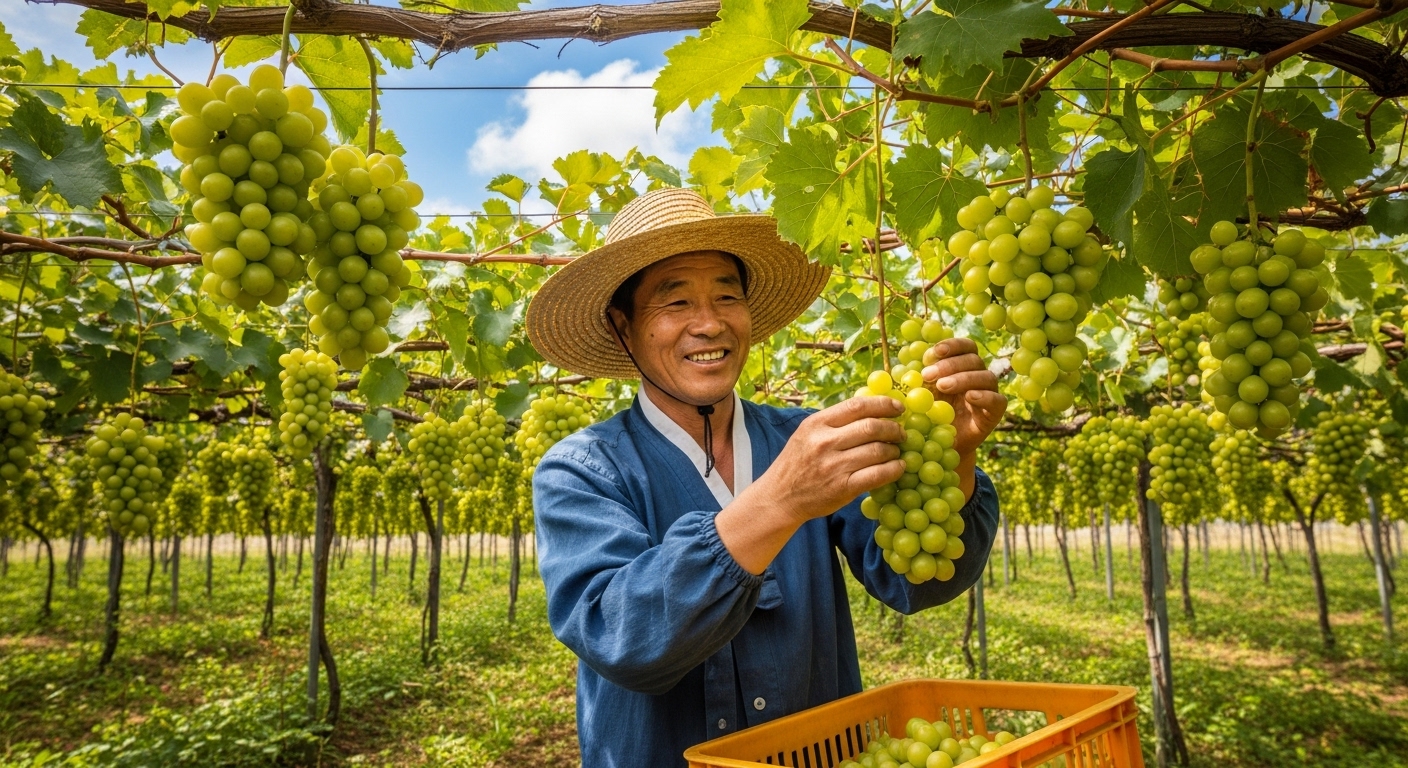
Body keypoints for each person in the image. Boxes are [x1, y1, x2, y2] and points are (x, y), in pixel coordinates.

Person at [525, 188, 1006, 768]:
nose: (709, 323)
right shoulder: (580, 470)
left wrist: (957, 458)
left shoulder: (807, 438)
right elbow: (620, 638)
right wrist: (780, 501)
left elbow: (917, 581)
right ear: (623, 327)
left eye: (727, 296)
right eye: (675, 303)